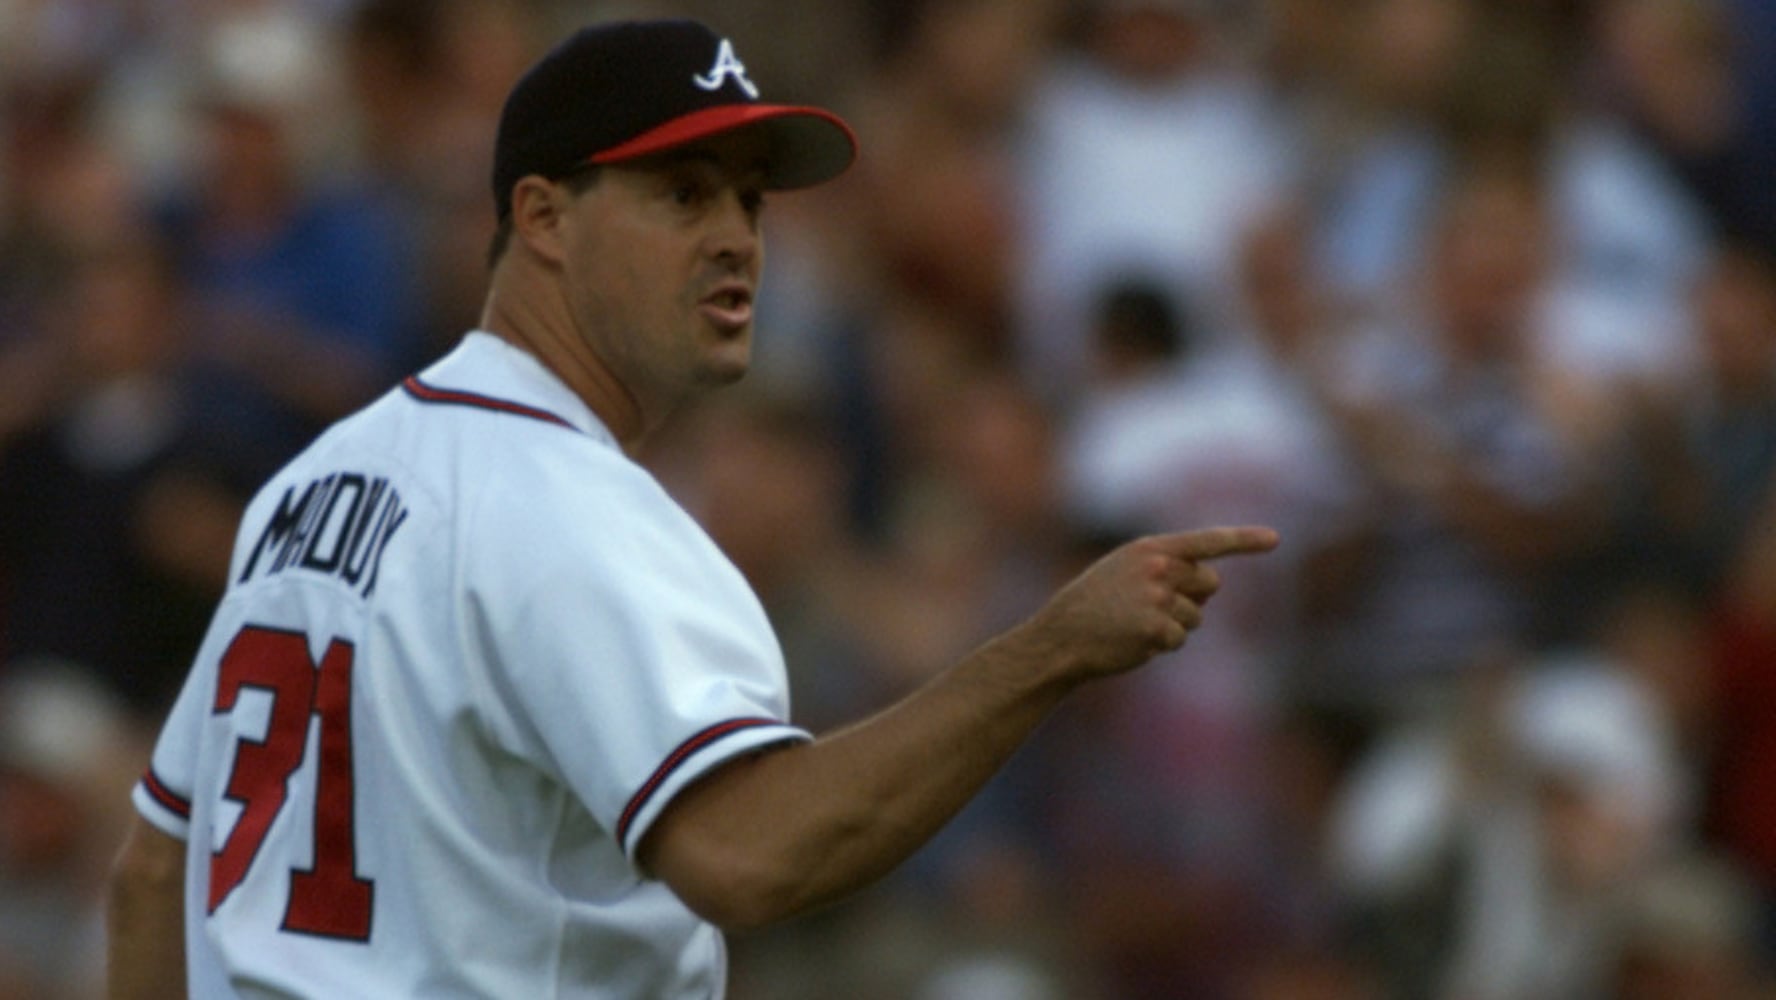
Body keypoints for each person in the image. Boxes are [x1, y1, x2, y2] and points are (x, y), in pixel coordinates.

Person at [104, 18, 1277, 999]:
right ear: (544, 216)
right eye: (682, 193)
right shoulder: (571, 510)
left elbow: (153, 872)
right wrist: (1049, 650)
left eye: (749, 203)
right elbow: (744, 852)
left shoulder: (313, 481)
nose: (736, 241)